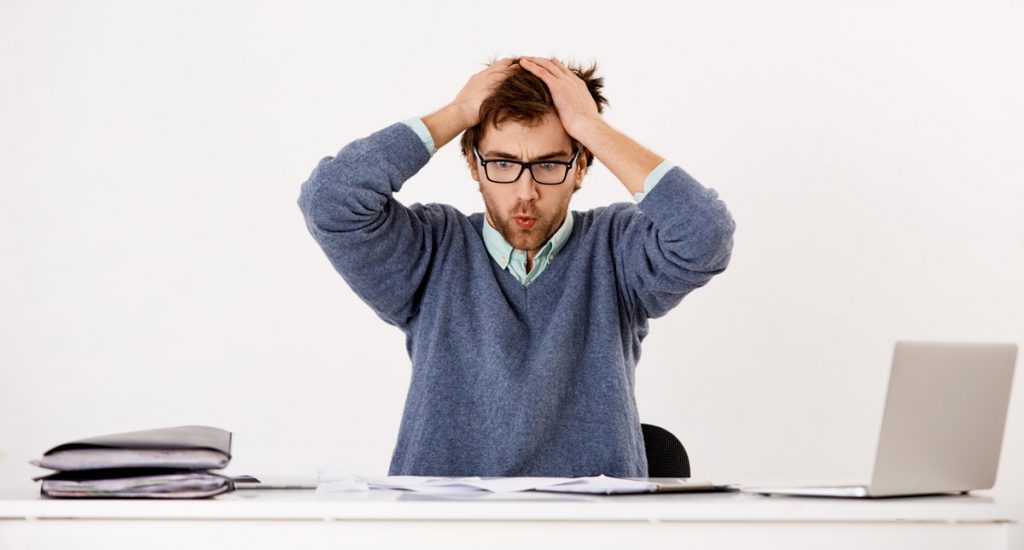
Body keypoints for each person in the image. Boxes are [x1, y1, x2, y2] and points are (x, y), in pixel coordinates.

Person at [297, 56, 735, 477]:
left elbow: (706, 233)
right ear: (474, 164)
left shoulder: (617, 249)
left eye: (548, 164)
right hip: (441, 529)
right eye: (503, 163)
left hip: (592, 530)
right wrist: (459, 112)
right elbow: (329, 200)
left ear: (580, 166)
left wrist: (588, 126)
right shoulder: (430, 248)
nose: (525, 191)